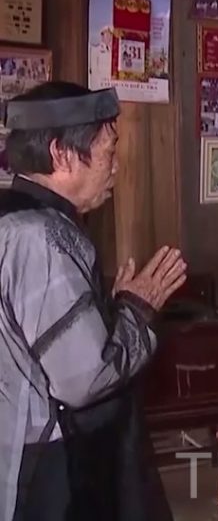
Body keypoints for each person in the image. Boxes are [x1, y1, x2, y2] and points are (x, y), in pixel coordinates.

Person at [0, 82, 186, 521]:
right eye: (108, 151)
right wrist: (138, 311)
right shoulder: (40, 238)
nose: (116, 167)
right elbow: (84, 378)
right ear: (63, 154)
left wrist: (110, 311)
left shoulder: (12, 219)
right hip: (41, 462)